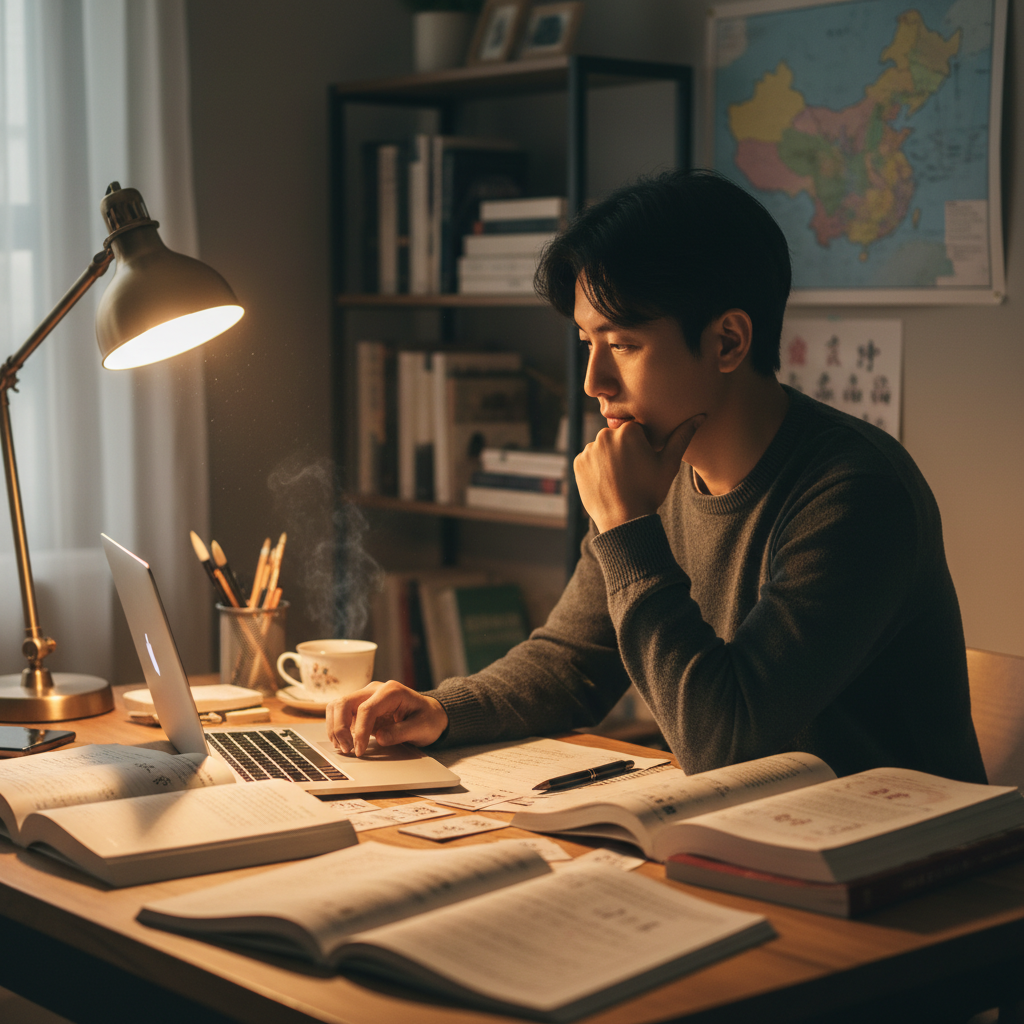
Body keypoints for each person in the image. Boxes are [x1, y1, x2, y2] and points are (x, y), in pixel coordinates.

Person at [327, 169, 986, 783]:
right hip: (756, 839)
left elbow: (723, 743)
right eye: (588, 344)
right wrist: (440, 710)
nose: (594, 382)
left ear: (728, 342)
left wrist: (628, 528)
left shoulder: (854, 494)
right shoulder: (657, 467)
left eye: (623, 345)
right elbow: (572, 661)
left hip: (910, 874)